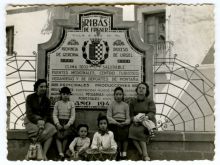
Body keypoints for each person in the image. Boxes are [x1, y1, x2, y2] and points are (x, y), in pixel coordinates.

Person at [24, 79, 57, 160]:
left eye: (45, 87)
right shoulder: (30, 97)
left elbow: (47, 114)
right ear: (36, 87)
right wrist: (38, 120)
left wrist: (43, 121)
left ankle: (43, 154)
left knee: (52, 129)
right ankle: (39, 152)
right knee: (40, 131)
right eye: (41, 86)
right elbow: (29, 113)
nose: (43, 88)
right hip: (30, 120)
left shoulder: (47, 100)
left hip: (43, 121)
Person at [128, 82, 156, 161]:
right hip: (137, 121)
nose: (141, 89)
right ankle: (142, 154)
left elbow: (152, 112)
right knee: (131, 130)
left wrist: (147, 117)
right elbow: (131, 115)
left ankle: (144, 154)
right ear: (137, 90)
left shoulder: (150, 101)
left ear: (146, 91)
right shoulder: (133, 102)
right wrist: (134, 119)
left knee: (141, 131)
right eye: (139, 88)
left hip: (147, 122)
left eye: (143, 88)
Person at [107, 87, 130, 160]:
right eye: (116, 94)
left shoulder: (126, 105)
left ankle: (124, 154)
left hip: (124, 123)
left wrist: (125, 123)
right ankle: (119, 154)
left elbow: (128, 117)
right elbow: (109, 117)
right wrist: (116, 123)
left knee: (125, 136)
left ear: (123, 95)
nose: (118, 96)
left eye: (120, 94)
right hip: (114, 123)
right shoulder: (111, 105)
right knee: (118, 137)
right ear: (114, 95)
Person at [53, 86, 76, 160]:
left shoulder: (71, 104)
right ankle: (60, 152)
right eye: (63, 94)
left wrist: (68, 124)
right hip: (59, 122)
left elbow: (72, 116)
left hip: (67, 123)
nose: (65, 95)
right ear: (61, 95)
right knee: (58, 136)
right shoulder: (57, 103)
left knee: (66, 136)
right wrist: (57, 123)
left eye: (67, 94)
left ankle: (62, 153)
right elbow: (54, 115)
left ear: (69, 95)